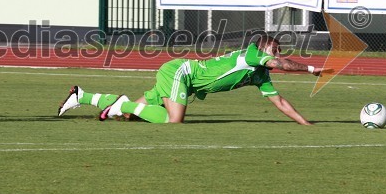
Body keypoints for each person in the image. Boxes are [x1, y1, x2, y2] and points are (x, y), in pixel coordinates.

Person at [58, 35, 332, 125]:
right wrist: (310, 69)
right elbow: (279, 63)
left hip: (183, 80)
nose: (278, 55)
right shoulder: (251, 54)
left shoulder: (260, 75)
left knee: (131, 118)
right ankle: (122, 103)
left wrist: (306, 123)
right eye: (275, 49)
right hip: (181, 73)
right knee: (173, 120)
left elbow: (280, 102)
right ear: (263, 49)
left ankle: (82, 96)